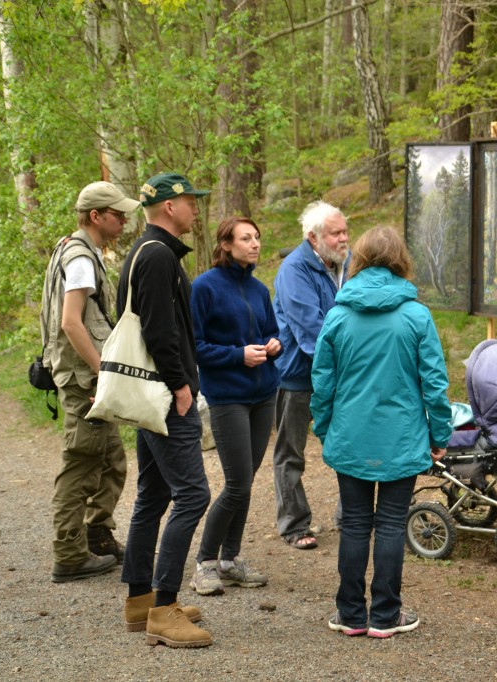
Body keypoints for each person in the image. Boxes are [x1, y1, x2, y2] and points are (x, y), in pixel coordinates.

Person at [310, 226, 452, 639]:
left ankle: (351, 614)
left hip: (351, 436)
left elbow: (322, 384)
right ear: (400, 261)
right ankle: (385, 616)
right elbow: (435, 384)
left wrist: (325, 428)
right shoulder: (416, 315)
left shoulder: (338, 315)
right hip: (402, 437)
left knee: (355, 524)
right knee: (390, 525)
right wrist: (439, 435)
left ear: (360, 259)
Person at [116, 172, 212, 648]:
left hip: (148, 394)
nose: (195, 208)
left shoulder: (144, 251)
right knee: (193, 495)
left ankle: (140, 600)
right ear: (170, 206)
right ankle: (164, 609)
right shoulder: (156, 256)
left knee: (153, 497)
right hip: (163, 395)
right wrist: (179, 386)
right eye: (191, 201)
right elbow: (158, 331)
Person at [43, 181, 135, 583]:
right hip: (85, 379)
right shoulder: (80, 257)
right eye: (117, 214)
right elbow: (70, 322)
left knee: (112, 458)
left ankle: (97, 535)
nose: (124, 219)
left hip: (84, 375)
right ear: (96, 217)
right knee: (80, 464)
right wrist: (102, 371)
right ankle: (69, 554)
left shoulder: (75, 248)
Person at [189, 217, 282, 596]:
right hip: (228, 397)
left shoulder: (260, 289)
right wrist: (237, 356)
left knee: (244, 483)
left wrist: (273, 345)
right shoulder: (203, 287)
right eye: (246, 238)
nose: (255, 244)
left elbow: (273, 331)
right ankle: (204, 564)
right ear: (226, 244)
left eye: (257, 237)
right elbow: (193, 346)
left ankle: (231, 560)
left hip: (264, 395)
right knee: (238, 483)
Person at [271, 200, 350, 549]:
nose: (344, 239)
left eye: (345, 231)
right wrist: (350, 364)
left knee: (349, 445)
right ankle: (294, 524)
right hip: (298, 374)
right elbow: (311, 333)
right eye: (336, 233)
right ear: (313, 238)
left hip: (337, 372)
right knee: (292, 452)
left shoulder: (341, 266)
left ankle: (351, 517)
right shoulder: (294, 271)